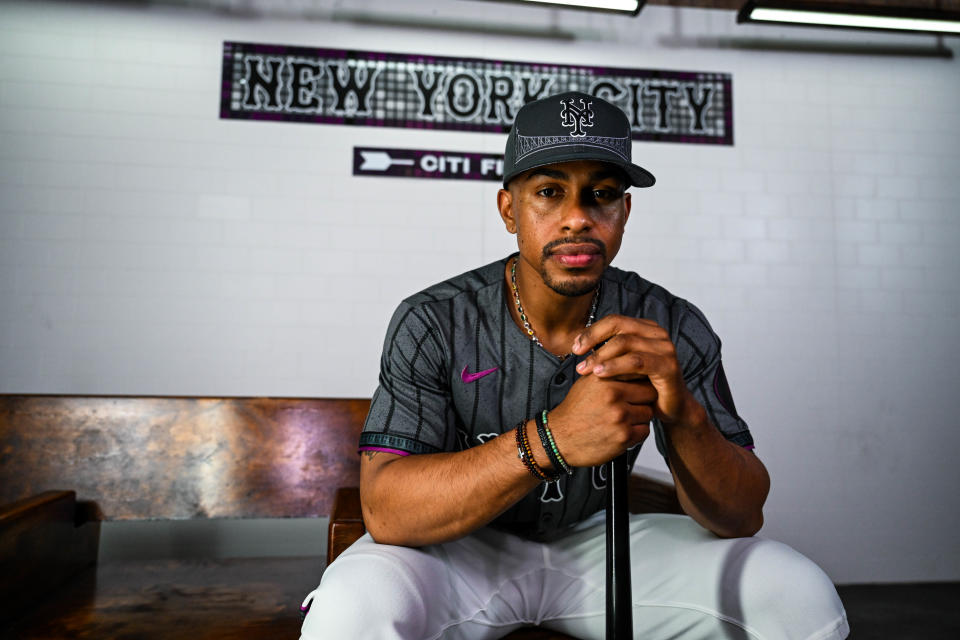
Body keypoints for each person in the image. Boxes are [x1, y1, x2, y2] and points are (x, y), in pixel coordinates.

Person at [300, 91, 849, 640]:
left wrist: (683, 414)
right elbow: (388, 513)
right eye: (549, 192)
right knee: (351, 605)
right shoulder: (435, 320)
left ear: (625, 212)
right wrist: (553, 438)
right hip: (461, 549)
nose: (577, 219)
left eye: (602, 195)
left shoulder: (669, 324)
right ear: (509, 209)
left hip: (599, 544)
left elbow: (741, 516)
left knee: (797, 593)